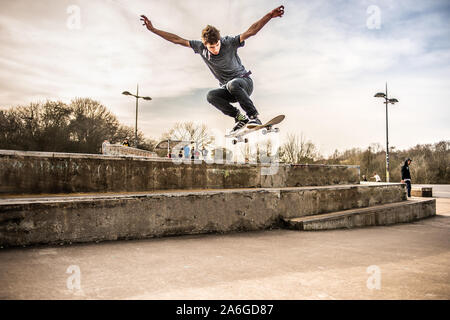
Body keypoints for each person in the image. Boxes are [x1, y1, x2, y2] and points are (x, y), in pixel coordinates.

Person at [140, 5, 285, 134]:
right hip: (230, 90)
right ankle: (239, 118)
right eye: (211, 47)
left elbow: (251, 31)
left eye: (216, 45)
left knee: (233, 84)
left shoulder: (229, 42)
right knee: (211, 96)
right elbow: (177, 40)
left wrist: (269, 16)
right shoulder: (199, 47)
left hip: (244, 83)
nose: (215, 49)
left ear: (219, 40)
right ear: (205, 44)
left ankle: (253, 117)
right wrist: (153, 30)